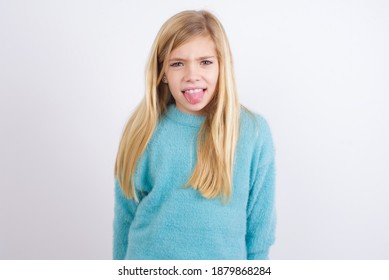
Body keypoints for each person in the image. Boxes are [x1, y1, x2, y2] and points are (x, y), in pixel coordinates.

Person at [113, 10, 276, 260]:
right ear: (163, 72)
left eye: (205, 62)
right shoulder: (143, 130)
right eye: (177, 63)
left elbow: (259, 232)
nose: (192, 75)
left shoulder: (253, 132)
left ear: (222, 66)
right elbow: (125, 219)